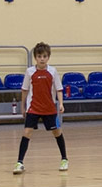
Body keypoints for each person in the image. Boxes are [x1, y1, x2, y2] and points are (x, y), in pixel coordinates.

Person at [13, 41, 68, 173]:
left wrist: (60, 103)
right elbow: (24, 90)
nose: (42, 59)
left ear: (48, 57)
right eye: (39, 56)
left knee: (57, 132)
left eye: (44, 56)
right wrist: (23, 106)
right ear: (35, 58)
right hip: (33, 108)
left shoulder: (53, 71)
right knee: (27, 132)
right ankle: (19, 162)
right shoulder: (29, 72)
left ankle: (64, 159)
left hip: (49, 109)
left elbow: (59, 89)